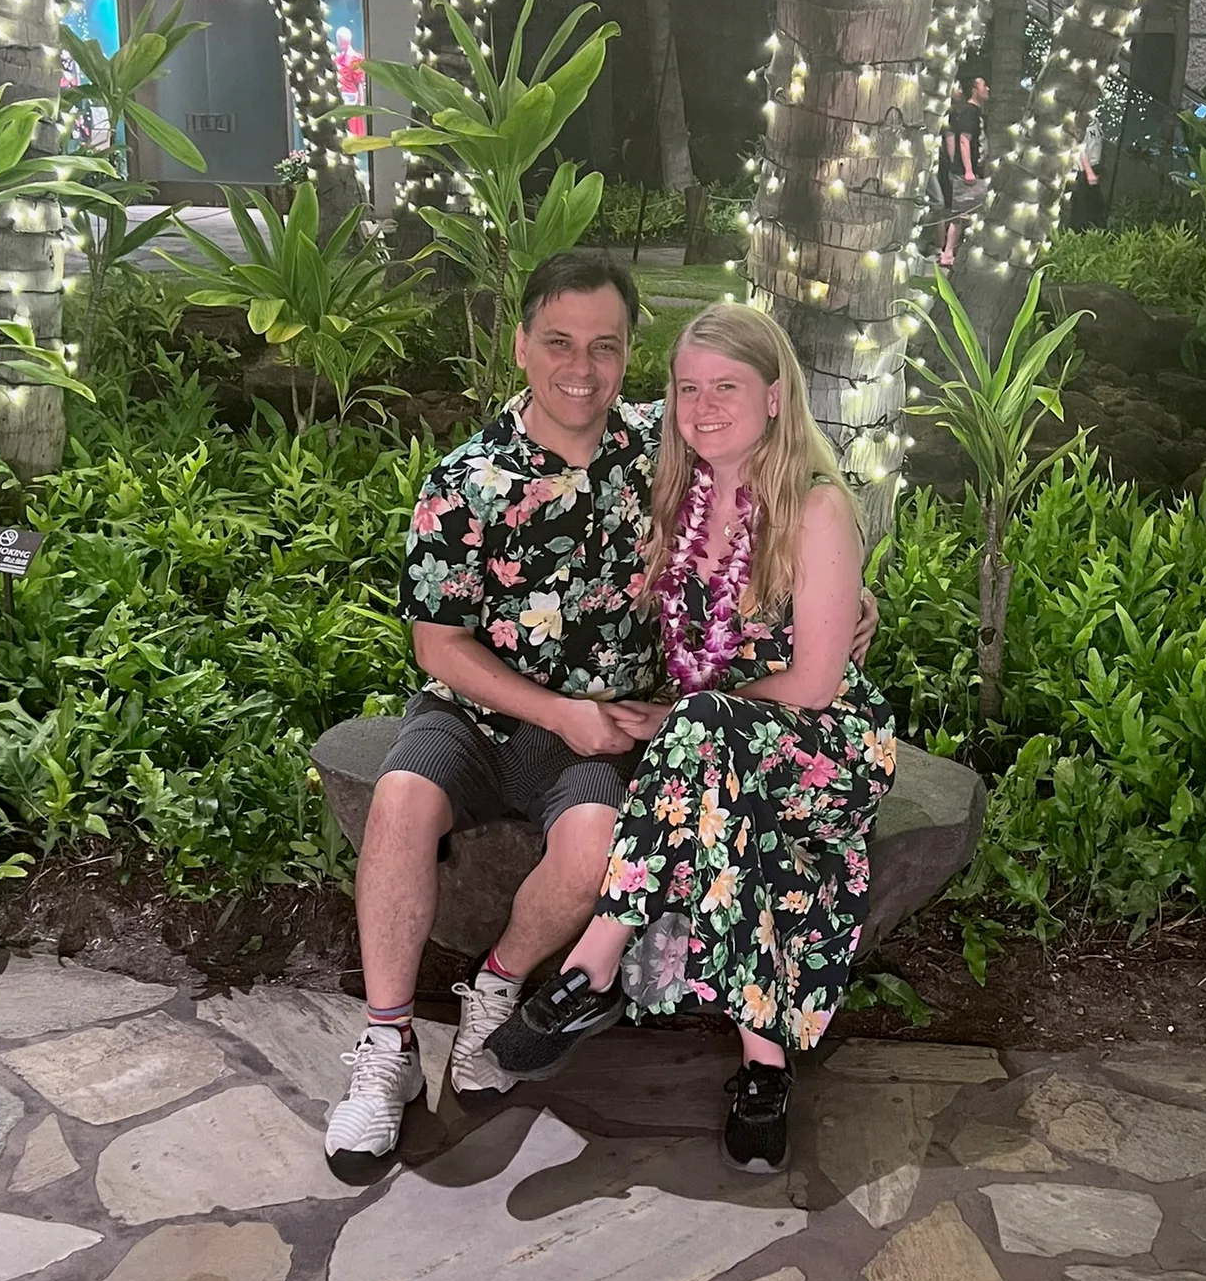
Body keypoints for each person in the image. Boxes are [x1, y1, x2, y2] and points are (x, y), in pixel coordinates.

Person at [324, 252, 877, 1178]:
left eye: (605, 346)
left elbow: (773, 489)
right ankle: (386, 1048)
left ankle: (503, 989)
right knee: (399, 803)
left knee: (592, 847)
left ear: (627, 355)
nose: (580, 368)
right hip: (479, 712)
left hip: (611, 725)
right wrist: (556, 711)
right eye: (558, 342)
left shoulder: (660, 447)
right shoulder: (466, 480)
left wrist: (849, 601)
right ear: (521, 346)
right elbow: (437, 645)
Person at [485, 304, 898, 1175]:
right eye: (687, 389)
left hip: (824, 747)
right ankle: (764, 1072)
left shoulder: (816, 507)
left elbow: (814, 685)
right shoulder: (678, 491)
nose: (703, 408)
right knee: (719, 815)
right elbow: (567, 412)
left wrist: (684, 718)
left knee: (705, 744)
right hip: (715, 749)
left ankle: (594, 961)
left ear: (776, 396)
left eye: (727, 388)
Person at [943, 75, 989, 268]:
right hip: (965, 172)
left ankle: (953, 252)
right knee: (963, 215)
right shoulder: (969, 112)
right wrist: (968, 170)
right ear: (974, 91)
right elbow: (963, 140)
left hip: (973, 170)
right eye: (983, 86)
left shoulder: (976, 112)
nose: (987, 89)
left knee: (965, 215)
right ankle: (948, 253)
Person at [1068, 114, 1106, 232]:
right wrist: (1089, 172)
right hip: (1082, 171)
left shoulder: (1095, 121)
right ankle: (1076, 233)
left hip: (1094, 166)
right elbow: (1080, 149)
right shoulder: (1080, 124)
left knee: (1095, 206)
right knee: (1081, 207)